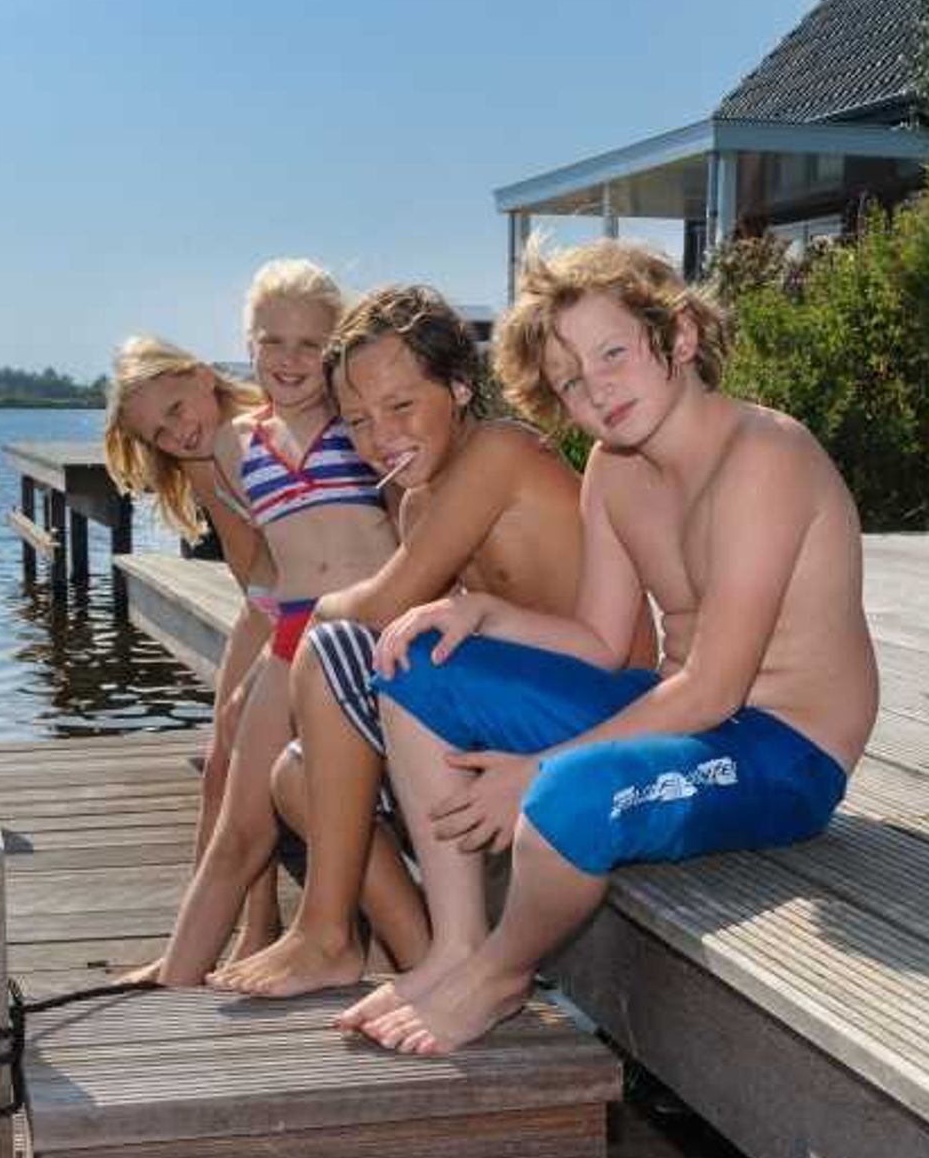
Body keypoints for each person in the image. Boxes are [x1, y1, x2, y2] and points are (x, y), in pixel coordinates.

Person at [345, 238, 880, 1055]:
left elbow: (716, 690)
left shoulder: (765, 456)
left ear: (681, 336)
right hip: (676, 709)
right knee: (414, 662)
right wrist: (482, 611)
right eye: (570, 380)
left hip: (784, 752)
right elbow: (599, 642)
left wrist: (534, 769)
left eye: (613, 354)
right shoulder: (613, 469)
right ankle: (452, 944)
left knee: (567, 795)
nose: (597, 388)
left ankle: (499, 974)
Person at [210, 282, 651, 998]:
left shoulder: (501, 451)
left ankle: (328, 936)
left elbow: (381, 605)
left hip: (609, 705)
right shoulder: (417, 501)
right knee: (296, 777)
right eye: (357, 421)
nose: (380, 436)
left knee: (332, 646)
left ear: (459, 386)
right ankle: (423, 959)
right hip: (514, 707)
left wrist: (307, 613)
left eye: (401, 406)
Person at [143, 259, 399, 986]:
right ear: (247, 345)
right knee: (238, 826)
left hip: (374, 626)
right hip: (294, 636)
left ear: (336, 347)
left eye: (310, 344)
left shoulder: (361, 424)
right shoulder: (234, 444)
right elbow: (259, 564)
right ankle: (175, 985)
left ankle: (382, 954)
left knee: (376, 803)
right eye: (271, 342)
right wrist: (255, 664)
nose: (289, 359)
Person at [105, 336, 284, 965]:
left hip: (314, 601)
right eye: (159, 433)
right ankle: (237, 925)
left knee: (251, 754)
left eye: (177, 408)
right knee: (219, 767)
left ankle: (250, 932)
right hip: (268, 602)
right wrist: (258, 639)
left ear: (203, 375)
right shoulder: (201, 460)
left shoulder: (267, 429)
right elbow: (246, 561)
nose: (177, 432)